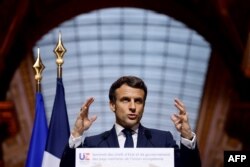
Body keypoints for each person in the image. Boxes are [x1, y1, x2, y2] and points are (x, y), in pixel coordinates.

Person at [60, 75, 201, 167]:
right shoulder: (93, 144)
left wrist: (187, 136)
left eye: (138, 101)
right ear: (112, 105)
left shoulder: (163, 140)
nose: (133, 107)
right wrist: (77, 133)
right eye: (125, 100)